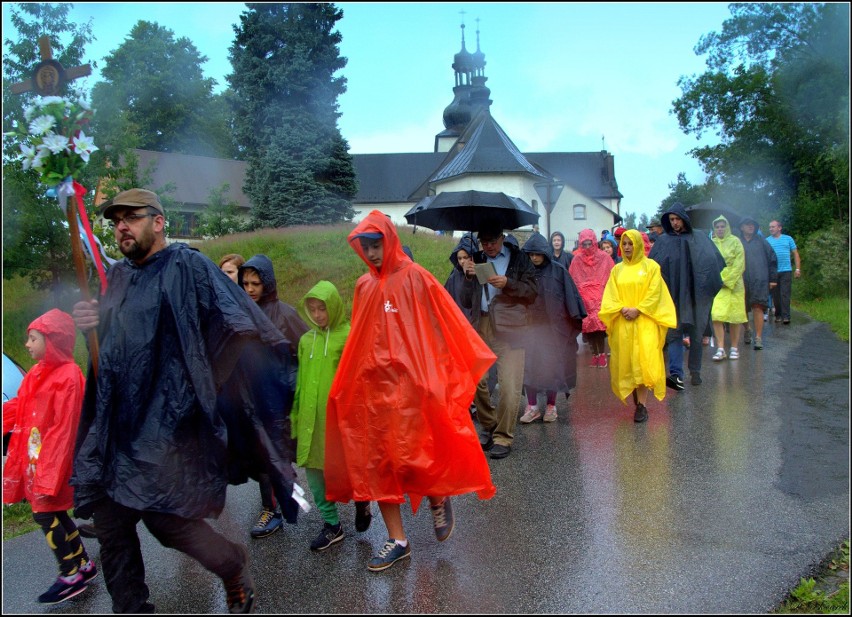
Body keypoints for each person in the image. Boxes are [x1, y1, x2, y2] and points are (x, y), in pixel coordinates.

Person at [71, 188, 299, 614]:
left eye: (131, 217)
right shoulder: (116, 277)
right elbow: (114, 344)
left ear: (158, 222)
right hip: (115, 425)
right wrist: (91, 323)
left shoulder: (187, 265)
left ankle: (231, 565)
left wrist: (206, 384)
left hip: (165, 425)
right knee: (112, 530)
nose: (121, 225)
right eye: (115, 219)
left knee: (167, 522)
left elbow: (237, 322)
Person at [324, 210, 497, 572]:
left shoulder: (416, 277)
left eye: (377, 245)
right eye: (365, 247)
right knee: (380, 464)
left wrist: (439, 375)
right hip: (375, 390)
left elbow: (443, 322)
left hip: (413, 386)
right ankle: (398, 539)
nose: (371, 253)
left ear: (390, 240)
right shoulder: (363, 286)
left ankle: (437, 497)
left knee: (418, 453)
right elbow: (360, 336)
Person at [3, 309, 97, 604]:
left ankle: (70, 575)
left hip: (54, 463)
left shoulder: (69, 377)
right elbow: (20, 406)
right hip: (37, 459)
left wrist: (50, 472)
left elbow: (65, 430)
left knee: (43, 514)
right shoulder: (37, 372)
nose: (27, 344)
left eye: (33, 338)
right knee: (54, 513)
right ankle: (83, 563)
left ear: (53, 340)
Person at [290, 280, 373, 552]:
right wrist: (295, 418)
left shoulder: (349, 336)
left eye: (322, 308)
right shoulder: (306, 340)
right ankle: (331, 524)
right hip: (310, 420)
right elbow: (301, 383)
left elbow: (361, 379)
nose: (317, 315)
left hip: (339, 421)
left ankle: (362, 500)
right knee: (314, 472)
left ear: (334, 306)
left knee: (346, 468)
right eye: (312, 309)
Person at [238, 254, 309, 539]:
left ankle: (330, 505)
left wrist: (293, 383)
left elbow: (305, 349)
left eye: (256, 283)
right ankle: (271, 509)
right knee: (263, 454)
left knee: (291, 453)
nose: (250, 288)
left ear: (268, 283)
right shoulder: (239, 311)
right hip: (252, 398)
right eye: (245, 283)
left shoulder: (285, 313)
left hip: (282, 399)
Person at [469, 219, 538, 459]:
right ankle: (489, 424)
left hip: (511, 326)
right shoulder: (475, 259)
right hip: (480, 325)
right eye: (483, 242)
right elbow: (461, 295)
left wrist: (508, 283)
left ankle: (502, 437)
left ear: (502, 238)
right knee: (474, 380)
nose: (487, 246)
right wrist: (465, 272)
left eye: (492, 241)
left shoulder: (519, 259)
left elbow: (532, 292)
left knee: (509, 385)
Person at [599, 230, 677, 422]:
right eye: (624, 244)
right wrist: (622, 308)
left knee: (643, 362)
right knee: (628, 363)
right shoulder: (617, 270)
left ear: (639, 245)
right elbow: (610, 295)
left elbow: (655, 292)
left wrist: (639, 309)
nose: (627, 247)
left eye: (630, 244)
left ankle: (642, 405)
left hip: (645, 322)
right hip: (623, 322)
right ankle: (636, 398)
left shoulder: (651, 267)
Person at [648, 202, 725, 389]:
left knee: (696, 333)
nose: (674, 223)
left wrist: (705, 285)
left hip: (696, 296)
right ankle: (676, 374)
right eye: (671, 219)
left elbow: (715, 262)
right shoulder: (664, 241)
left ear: (684, 219)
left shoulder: (699, 237)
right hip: (673, 297)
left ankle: (695, 371)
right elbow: (652, 268)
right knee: (674, 334)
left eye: (677, 219)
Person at [518, 232, 586, 423]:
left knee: (552, 368)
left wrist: (572, 323)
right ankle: (532, 407)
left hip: (553, 331)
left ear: (545, 253)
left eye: (537, 254)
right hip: (530, 330)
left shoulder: (558, 271)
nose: (533, 258)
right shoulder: (525, 273)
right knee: (529, 367)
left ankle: (551, 406)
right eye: (530, 254)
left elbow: (571, 299)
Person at [569, 229, 614, 368]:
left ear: (594, 242)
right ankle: (595, 354)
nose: (587, 247)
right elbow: (573, 278)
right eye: (585, 244)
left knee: (599, 328)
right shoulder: (577, 259)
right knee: (589, 329)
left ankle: (601, 354)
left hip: (600, 298)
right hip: (585, 299)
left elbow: (611, 275)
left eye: (590, 244)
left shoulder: (604, 257)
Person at [709, 216, 747, 361]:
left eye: (722, 226)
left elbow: (740, 264)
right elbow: (709, 263)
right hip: (718, 284)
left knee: (735, 316)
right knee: (717, 315)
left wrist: (729, 280)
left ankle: (734, 347)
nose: (720, 229)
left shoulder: (736, 242)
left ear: (727, 227)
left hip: (735, 284)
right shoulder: (711, 243)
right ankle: (720, 348)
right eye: (717, 227)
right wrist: (717, 280)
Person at [738, 217, 778, 351]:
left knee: (758, 306)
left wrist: (773, 279)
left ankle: (758, 338)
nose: (751, 226)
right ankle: (747, 329)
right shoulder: (737, 241)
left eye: (753, 225)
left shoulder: (762, 241)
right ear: (741, 227)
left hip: (759, 279)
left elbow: (772, 259)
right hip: (741, 280)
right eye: (747, 224)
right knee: (742, 309)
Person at [765, 220, 801, 325]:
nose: (771, 229)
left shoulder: (788, 239)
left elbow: (795, 253)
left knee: (785, 294)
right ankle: (778, 314)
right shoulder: (767, 241)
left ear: (779, 228)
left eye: (773, 227)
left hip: (786, 270)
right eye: (770, 227)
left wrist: (797, 269)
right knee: (775, 295)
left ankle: (786, 316)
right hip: (773, 272)